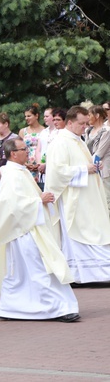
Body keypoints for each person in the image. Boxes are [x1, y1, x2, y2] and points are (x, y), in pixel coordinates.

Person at [0, 138, 79, 322]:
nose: (27, 152)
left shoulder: (20, 172)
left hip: (30, 228)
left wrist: (41, 198)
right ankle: (57, 308)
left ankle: (11, 308)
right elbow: (13, 205)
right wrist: (39, 201)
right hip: (23, 232)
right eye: (24, 149)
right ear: (13, 153)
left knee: (27, 272)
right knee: (38, 269)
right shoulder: (12, 175)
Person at [45, 106, 110, 283]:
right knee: (81, 233)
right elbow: (57, 172)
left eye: (86, 123)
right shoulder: (60, 142)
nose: (85, 127)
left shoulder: (78, 140)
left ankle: (96, 273)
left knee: (95, 230)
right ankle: (80, 274)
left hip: (87, 196)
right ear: (70, 122)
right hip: (72, 200)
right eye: (81, 123)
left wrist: (94, 167)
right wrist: (84, 169)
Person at [20, 104, 45, 180]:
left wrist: (40, 164)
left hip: (41, 166)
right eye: (25, 116)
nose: (26, 118)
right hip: (27, 166)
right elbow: (19, 148)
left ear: (36, 116)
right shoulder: (23, 131)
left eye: (29, 116)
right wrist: (25, 164)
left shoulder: (44, 131)